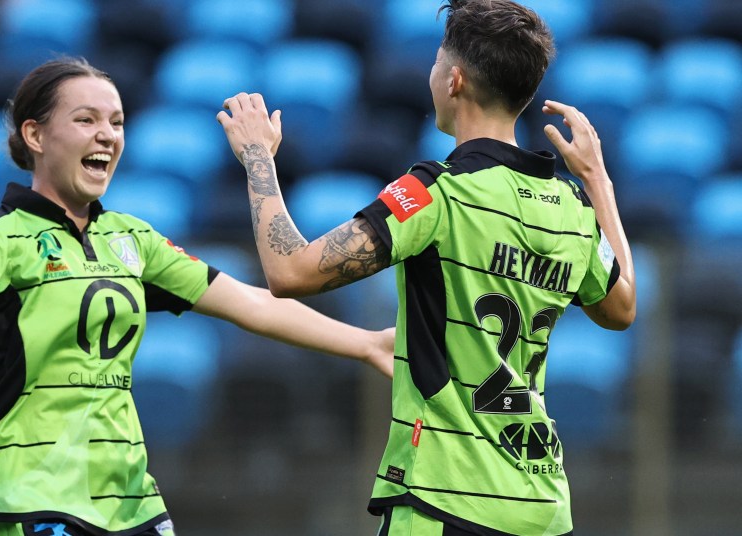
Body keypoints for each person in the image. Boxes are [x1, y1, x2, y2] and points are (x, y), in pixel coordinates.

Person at [0, 57, 395, 536]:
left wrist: (367, 343)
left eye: (117, 122)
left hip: (129, 500)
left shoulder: (133, 241)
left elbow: (254, 304)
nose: (107, 135)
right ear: (35, 135)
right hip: (31, 495)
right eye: (87, 119)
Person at [217, 0, 637, 534]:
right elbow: (622, 307)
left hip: (445, 501)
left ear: (454, 80)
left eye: (438, 61)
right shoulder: (572, 207)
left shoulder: (436, 192)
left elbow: (289, 272)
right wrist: (598, 179)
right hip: (542, 507)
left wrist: (257, 157)